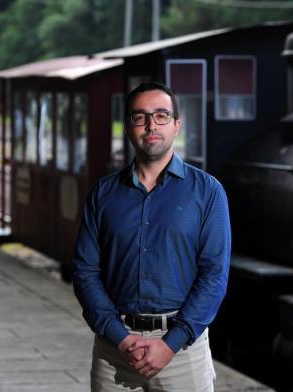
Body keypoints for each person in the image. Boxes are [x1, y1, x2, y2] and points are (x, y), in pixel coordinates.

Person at [72, 81, 231, 392]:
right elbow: (84, 271)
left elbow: (214, 275)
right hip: (114, 348)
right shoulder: (103, 194)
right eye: (139, 116)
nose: (150, 125)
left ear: (176, 125)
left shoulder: (208, 192)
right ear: (129, 126)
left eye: (161, 115)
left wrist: (170, 343)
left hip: (183, 352)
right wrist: (120, 337)